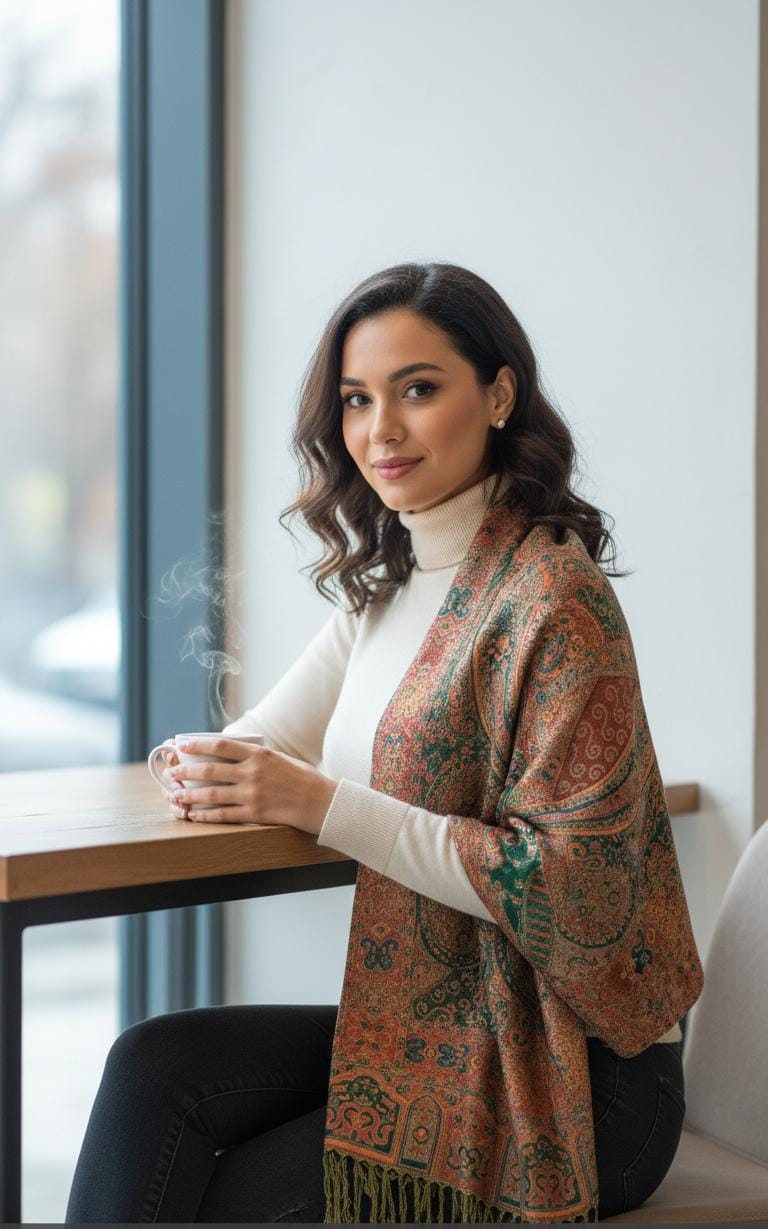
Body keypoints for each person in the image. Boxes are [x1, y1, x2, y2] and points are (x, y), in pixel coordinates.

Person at [66, 261, 703, 1224]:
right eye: (358, 400)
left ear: (498, 394)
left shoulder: (553, 597)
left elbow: (572, 886)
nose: (381, 430)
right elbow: (256, 743)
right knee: (155, 1066)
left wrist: (312, 800)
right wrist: (194, 763)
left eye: (418, 389)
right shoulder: (392, 588)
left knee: (227, 1198)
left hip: (586, 1076)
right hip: (444, 1022)